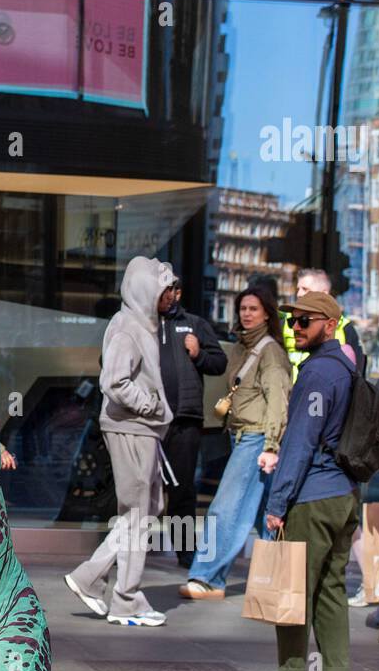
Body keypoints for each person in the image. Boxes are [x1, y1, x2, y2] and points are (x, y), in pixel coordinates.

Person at [249, 291, 360, 671]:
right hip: (344, 496)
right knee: (331, 589)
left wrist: (277, 504)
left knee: (293, 590)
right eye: (293, 321)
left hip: (312, 496)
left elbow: (299, 444)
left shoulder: (317, 374)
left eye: (305, 321)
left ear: (329, 324)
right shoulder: (349, 368)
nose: (295, 329)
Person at [64, 256, 174, 627]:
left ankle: (91, 578)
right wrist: (149, 404)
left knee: (143, 511)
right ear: (147, 291)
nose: (173, 295)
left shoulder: (139, 323)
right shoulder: (129, 327)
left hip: (138, 429)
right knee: (138, 515)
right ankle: (125, 599)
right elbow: (113, 381)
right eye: (166, 289)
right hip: (132, 428)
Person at [180, 286, 291, 600]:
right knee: (266, 514)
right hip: (242, 435)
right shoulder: (242, 348)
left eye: (254, 308)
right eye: (243, 308)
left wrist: (271, 445)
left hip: (256, 439)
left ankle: (208, 577)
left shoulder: (270, 352)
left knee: (225, 509)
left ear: (267, 314)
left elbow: (277, 404)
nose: (246, 313)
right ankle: (280, 578)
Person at [157, 277, 227, 567]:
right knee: (140, 490)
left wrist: (198, 353)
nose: (166, 295)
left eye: (170, 289)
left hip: (184, 420)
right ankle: (126, 551)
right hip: (148, 421)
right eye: (160, 290)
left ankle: (186, 553)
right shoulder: (140, 324)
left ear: (178, 292)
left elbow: (219, 362)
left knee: (182, 489)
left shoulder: (194, 324)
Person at [282, 268, 364, 378]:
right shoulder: (285, 322)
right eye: (298, 289)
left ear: (330, 325)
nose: (299, 294)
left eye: (305, 289)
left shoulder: (345, 328)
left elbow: (356, 374)